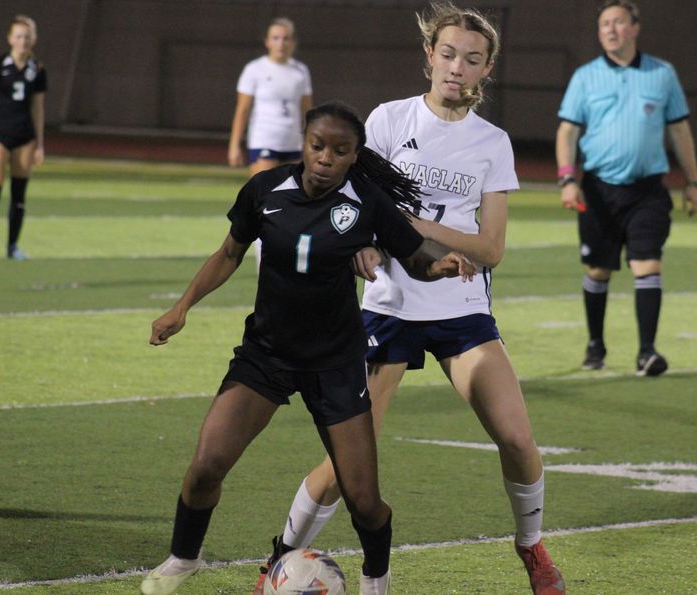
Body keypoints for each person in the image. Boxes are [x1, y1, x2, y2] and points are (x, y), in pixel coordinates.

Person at [253, 3, 566, 595]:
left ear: (486, 69)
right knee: (348, 468)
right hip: (387, 310)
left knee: (519, 440)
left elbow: (491, 247)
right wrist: (360, 245)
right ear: (429, 56)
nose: (457, 67)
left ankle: (530, 547)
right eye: (447, 54)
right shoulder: (390, 122)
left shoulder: (491, 142)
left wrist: (414, 223)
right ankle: (278, 561)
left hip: (461, 309)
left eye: (471, 60)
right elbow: (348, 211)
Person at [140, 100, 475, 595]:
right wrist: (181, 307)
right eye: (318, 146)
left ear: (354, 156)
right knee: (206, 466)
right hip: (266, 355)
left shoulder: (367, 200)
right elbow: (229, 252)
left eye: (340, 152)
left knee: (364, 499)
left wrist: (439, 265)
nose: (325, 158)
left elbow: (412, 252)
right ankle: (183, 558)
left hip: (336, 363)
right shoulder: (264, 189)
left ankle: (376, 579)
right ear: (304, 143)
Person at [556, 0, 697, 375]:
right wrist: (568, 178)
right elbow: (567, 131)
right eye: (604, 24)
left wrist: (693, 181)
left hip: (648, 191)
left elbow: (680, 129)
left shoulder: (662, 74)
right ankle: (595, 346)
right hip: (598, 191)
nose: (611, 29)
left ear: (635, 28)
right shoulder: (585, 77)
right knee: (598, 271)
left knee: (647, 263)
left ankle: (647, 352)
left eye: (618, 22)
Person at [228, 17, 313, 268]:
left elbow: (306, 111)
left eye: (286, 38)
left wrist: (309, 143)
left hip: (293, 142)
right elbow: (242, 109)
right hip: (264, 140)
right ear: (267, 41)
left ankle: (289, 256)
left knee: (295, 199)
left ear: (293, 42)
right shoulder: (255, 70)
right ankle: (260, 255)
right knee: (264, 199)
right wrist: (235, 145)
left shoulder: (300, 71)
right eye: (275, 38)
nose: (281, 43)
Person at [0, 14, 46, 261]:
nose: (22, 41)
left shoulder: (38, 70)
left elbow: (38, 109)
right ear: (10, 38)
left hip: (24, 137)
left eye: (26, 37)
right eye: (18, 36)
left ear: (33, 40)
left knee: (19, 195)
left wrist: (40, 144)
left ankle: (12, 246)